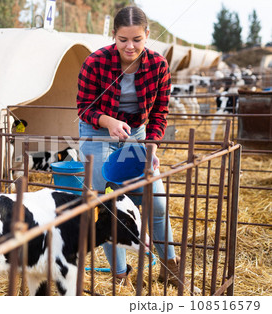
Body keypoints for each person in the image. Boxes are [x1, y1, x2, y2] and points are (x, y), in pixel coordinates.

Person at [77, 5, 198, 292]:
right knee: (109, 202)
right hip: (98, 132)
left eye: (136, 39)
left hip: (138, 134)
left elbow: (159, 113)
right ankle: (121, 276)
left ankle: (170, 270)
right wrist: (108, 122)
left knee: (155, 199)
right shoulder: (95, 63)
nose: (129, 46)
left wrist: (152, 146)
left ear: (147, 34)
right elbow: (85, 108)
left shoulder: (158, 65)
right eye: (122, 40)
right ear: (113, 36)